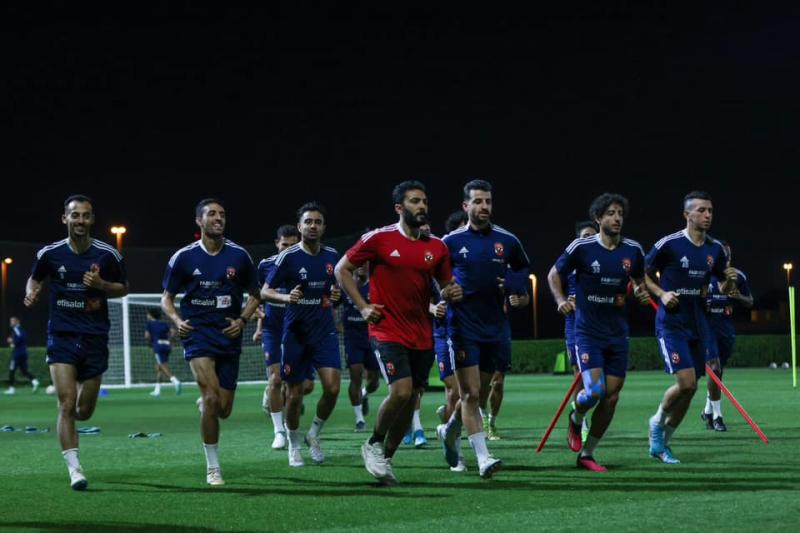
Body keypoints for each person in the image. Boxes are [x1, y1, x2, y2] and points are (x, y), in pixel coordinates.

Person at [335, 180, 462, 485]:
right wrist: (363, 307)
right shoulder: (379, 238)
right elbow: (342, 269)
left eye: (424, 201)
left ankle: (387, 457)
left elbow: (446, 285)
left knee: (412, 396)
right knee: (401, 391)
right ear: (399, 207)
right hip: (387, 329)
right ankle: (373, 443)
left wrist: (452, 292)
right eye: (415, 201)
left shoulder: (437, 246)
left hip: (421, 333)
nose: (422, 206)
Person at [24, 194, 128, 490]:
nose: (80, 220)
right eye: (75, 215)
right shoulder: (50, 253)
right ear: (65, 219)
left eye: (85, 215)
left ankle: (78, 401)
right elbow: (34, 278)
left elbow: (124, 288)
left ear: (92, 219)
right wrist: (31, 291)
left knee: (84, 411)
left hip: (95, 337)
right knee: (66, 404)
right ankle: (75, 470)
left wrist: (101, 285)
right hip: (62, 335)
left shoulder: (108, 254)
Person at [161, 198, 261, 485]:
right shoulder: (184, 257)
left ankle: (207, 405)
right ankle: (213, 467)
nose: (219, 218)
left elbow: (256, 294)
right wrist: (177, 320)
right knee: (211, 397)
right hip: (197, 334)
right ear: (199, 221)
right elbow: (166, 299)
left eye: (222, 214)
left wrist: (242, 320)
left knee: (224, 410)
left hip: (229, 334)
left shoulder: (239, 255)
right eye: (212, 214)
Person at [547, 193, 650, 471]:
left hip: (617, 333)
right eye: (611, 213)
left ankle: (587, 454)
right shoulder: (582, 247)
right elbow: (553, 274)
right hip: (588, 332)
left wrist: (640, 291)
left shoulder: (633, 250)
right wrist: (560, 300)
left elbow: (639, 279)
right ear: (598, 218)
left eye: (620, 214)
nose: (617, 219)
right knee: (594, 391)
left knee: (612, 396)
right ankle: (576, 415)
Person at [439, 179, 529, 479]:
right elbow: (432, 275)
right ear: (466, 206)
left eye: (488, 201)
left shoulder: (507, 240)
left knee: (480, 392)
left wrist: (515, 286)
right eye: (478, 201)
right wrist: (443, 292)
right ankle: (482, 457)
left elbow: (522, 268)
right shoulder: (450, 241)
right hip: (462, 327)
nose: (484, 206)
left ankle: (450, 430)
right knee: (471, 393)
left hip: (495, 327)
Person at [644, 191, 736, 464]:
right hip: (671, 323)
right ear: (687, 215)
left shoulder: (715, 249)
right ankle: (656, 421)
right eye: (702, 210)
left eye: (710, 210)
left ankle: (663, 444)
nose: (707, 215)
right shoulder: (669, 244)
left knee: (692, 388)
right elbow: (642, 275)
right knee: (686, 382)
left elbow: (723, 287)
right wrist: (661, 294)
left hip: (698, 324)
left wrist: (730, 280)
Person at [262, 202, 342, 467]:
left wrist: (336, 295)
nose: (313, 226)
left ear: (324, 227)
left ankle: (314, 434)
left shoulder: (332, 256)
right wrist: (286, 297)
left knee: (332, 388)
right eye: (308, 222)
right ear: (299, 226)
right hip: (296, 333)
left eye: (317, 222)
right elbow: (264, 291)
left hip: (324, 331)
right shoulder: (288, 257)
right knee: (295, 393)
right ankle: (294, 444)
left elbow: (336, 292)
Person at [254, 224, 314, 450]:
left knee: (305, 386)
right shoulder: (265, 265)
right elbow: (256, 294)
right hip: (274, 328)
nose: (288, 250)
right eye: (284, 245)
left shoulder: (307, 263)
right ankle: (279, 431)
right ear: (276, 244)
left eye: (292, 245)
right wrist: (257, 318)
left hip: (299, 328)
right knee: (276, 379)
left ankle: (283, 407)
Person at [702, 241, 752, 431]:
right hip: (707, 328)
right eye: (722, 255)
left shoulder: (738, 276)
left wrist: (738, 296)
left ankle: (707, 411)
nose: (726, 259)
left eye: (728, 255)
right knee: (714, 368)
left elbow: (750, 301)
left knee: (718, 372)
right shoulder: (704, 275)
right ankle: (717, 416)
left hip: (726, 329)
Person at [479, 262, 529, 440]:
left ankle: (491, 422)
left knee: (498, 382)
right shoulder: (476, 267)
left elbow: (525, 297)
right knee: (480, 383)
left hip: (501, 331)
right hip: (477, 329)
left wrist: (519, 301)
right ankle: (480, 417)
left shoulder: (508, 272)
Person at [563, 221, 598, 439]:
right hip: (575, 325)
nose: (589, 239)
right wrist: (564, 301)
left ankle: (580, 412)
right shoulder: (568, 263)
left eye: (592, 235)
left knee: (597, 380)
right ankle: (580, 418)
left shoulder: (602, 262)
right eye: (585, 236)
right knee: (579, 374)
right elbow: (554, 285)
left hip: (598, 325)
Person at [341, 263, 380, 432]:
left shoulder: (375, 286)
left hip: (371, 337)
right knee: (355, 375)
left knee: (374, 382)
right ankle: (359, 419)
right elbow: (330, 304)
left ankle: (364, 394)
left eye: (365, 264)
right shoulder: (344, 285)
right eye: (359, 264)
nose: (362, 267)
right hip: (352, 339)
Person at [144, 308, 181, 397]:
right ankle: (157, 391)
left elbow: (147, 336)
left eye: (148, 314)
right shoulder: (164, 323)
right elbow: (173, 332)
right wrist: (172, 341)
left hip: (158, 346)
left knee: (162, 365)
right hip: (166, 345)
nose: (147, 316)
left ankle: (175, 381)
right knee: (159, 368)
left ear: (151, 315)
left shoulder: (149, 324)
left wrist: (149, 344)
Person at [5, 317, 40, 394]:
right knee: (24, 371)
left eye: (12, 321)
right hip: (23, 353)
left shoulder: (16, 329)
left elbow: (20, 337)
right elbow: (24, 338)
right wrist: (14, 343)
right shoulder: (21, 329)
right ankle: (35, 381)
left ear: (17, 322)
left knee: (12, 370)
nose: (11, 323)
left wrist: (12, 341)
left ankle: (11, 389)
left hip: (17, 354)